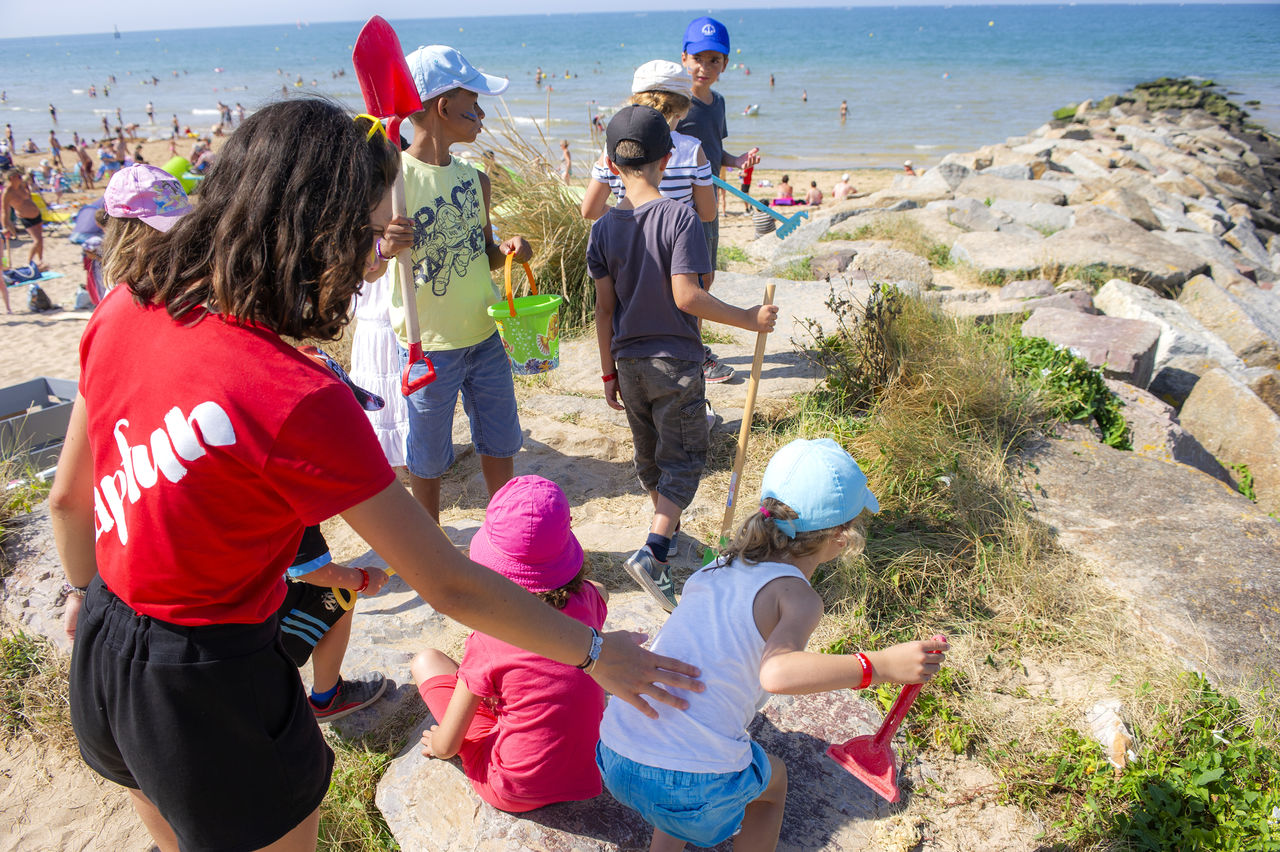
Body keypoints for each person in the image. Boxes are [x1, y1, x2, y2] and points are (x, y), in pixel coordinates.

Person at [49, 98, 702, 852]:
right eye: (369, 233)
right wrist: (594, 651)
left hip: (105, 643)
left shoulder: (128, 306)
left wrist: (78, 591)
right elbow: (450, 584)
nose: (379, 257)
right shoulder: (298, 394)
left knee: (168, 825)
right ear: (310, 231)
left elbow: (72, 500)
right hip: (209, 681)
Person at [597, 438, 950, 851]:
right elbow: (778, 672)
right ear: (841, 537)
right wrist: (878, 665)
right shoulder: (798, 597)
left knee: (688, 764)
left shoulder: (717, 566)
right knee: (773, 782)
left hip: (616, 756)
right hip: (693, 786)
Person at [588, 105, 778, 612]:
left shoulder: (603, 229)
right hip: (674, 360)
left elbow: (605, 310)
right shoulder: (680, 217)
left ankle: (663, 539)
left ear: (610, 162)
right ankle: (654, 550)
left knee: (650, 454)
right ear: (668, 159)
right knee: (686, 456)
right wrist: (750, 318)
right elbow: (688, 297)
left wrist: (607, 369)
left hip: (627, 362)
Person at [366, 45, 533, 523]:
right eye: (473, 104)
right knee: (428, 455)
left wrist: (511, 251)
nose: (480, 115)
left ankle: (506, 528)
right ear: (443, 107)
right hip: (427, 348)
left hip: (484, 337)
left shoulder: (475, 180)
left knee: (500, 439)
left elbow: (484, 253)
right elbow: (368, 270)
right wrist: (384, 247)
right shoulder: (392, 180)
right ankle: (432, 538)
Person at [411, 475, 609, 811]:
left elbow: (447, 746)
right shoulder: (588, 600)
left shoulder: (489, 637)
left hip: (514, 788)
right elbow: (601, 589)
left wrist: (440, 745)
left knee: (426, 661)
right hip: (591, 772)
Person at [676, 16, 761, 383]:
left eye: (715, 60)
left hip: (709, 204)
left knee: (706, 277)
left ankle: (688, 343)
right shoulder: (677, 104)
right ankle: (690, 349)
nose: (705, 67)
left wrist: (737, 161)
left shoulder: (718, 103)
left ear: (725, 65)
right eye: (699, 58)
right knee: (687, 280)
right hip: (682, 207)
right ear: (684, 58)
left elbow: (716, 150)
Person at [581, 60, 715, 226]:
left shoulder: (614, 147)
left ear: (635, 103)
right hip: (675, 245)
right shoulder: (693, 150)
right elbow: (708, 213)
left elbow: (590, 210)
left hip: (627, 247)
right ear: (682, 111)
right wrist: (664, 220)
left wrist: (633, 216)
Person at [349, 267, 411, 468]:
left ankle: (405, 452)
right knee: (378, 387)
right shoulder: (360, 248)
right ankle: (385, 453)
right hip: (371, 331)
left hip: (395, 328)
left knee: (398, 386)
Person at [2, 169, 45, 266]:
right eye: (19, 177)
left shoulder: (21, 186)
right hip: (25, 217)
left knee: (40, 239)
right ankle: (29, 262)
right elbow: (5, 210)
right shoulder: (7, 193)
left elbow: (28, 196)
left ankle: (40, 260)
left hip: (36, 214)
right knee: (37, 240)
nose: (21, 178)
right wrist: (5, 226)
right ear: (12, 178)